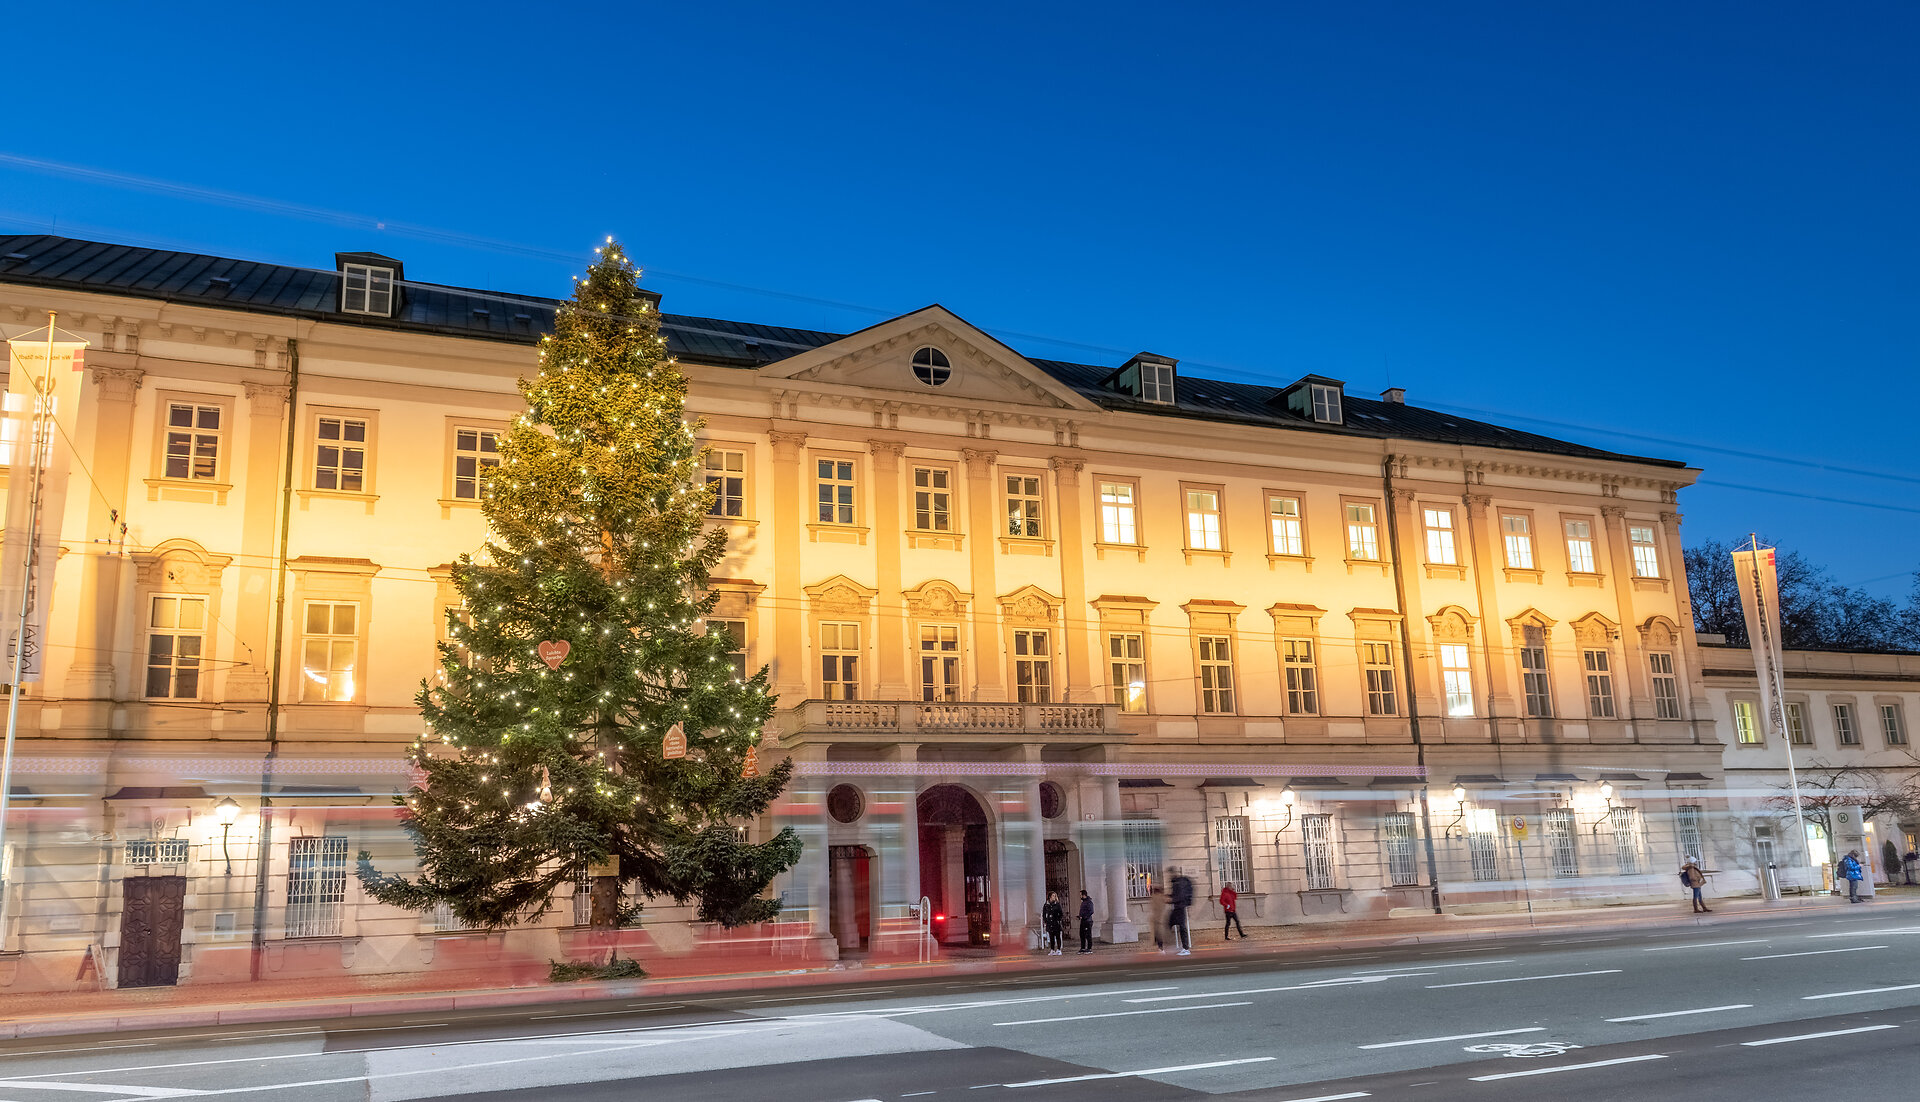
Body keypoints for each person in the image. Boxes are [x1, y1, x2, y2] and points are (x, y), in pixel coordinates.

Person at [1168, 867, 1194, 955]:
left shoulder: (1178, 883)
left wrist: (1171, 900)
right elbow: (1175, 895)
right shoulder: (1175, 882)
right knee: (1171, 924)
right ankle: (1181, 947)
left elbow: (1179, 896)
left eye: (1170, 873)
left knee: (1182, 927)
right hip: (1178, 907)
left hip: (1180, 907)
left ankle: (1186, 948)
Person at [1148, 886, 1169, 952]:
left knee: (1157, 933)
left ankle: (1160, 947)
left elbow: (1152, 907)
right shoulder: (1162, 897)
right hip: (1161, 917)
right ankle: (1162, 947)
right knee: (1161, 933)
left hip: (1155, 917)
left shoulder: (1153, 898)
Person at [1077, 889, 1095, 954]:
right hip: (1083, 920)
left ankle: (1089, 948)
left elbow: (1091, 911)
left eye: (1080, 895)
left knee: (1088, 935)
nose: (1080, 896)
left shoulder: (1089, 902)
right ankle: (1083, 948)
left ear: (1083, 895)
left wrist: (1084, 916)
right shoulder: (1083, 902)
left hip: (1087, 921)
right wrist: (1080, 916)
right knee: (1082, 934)